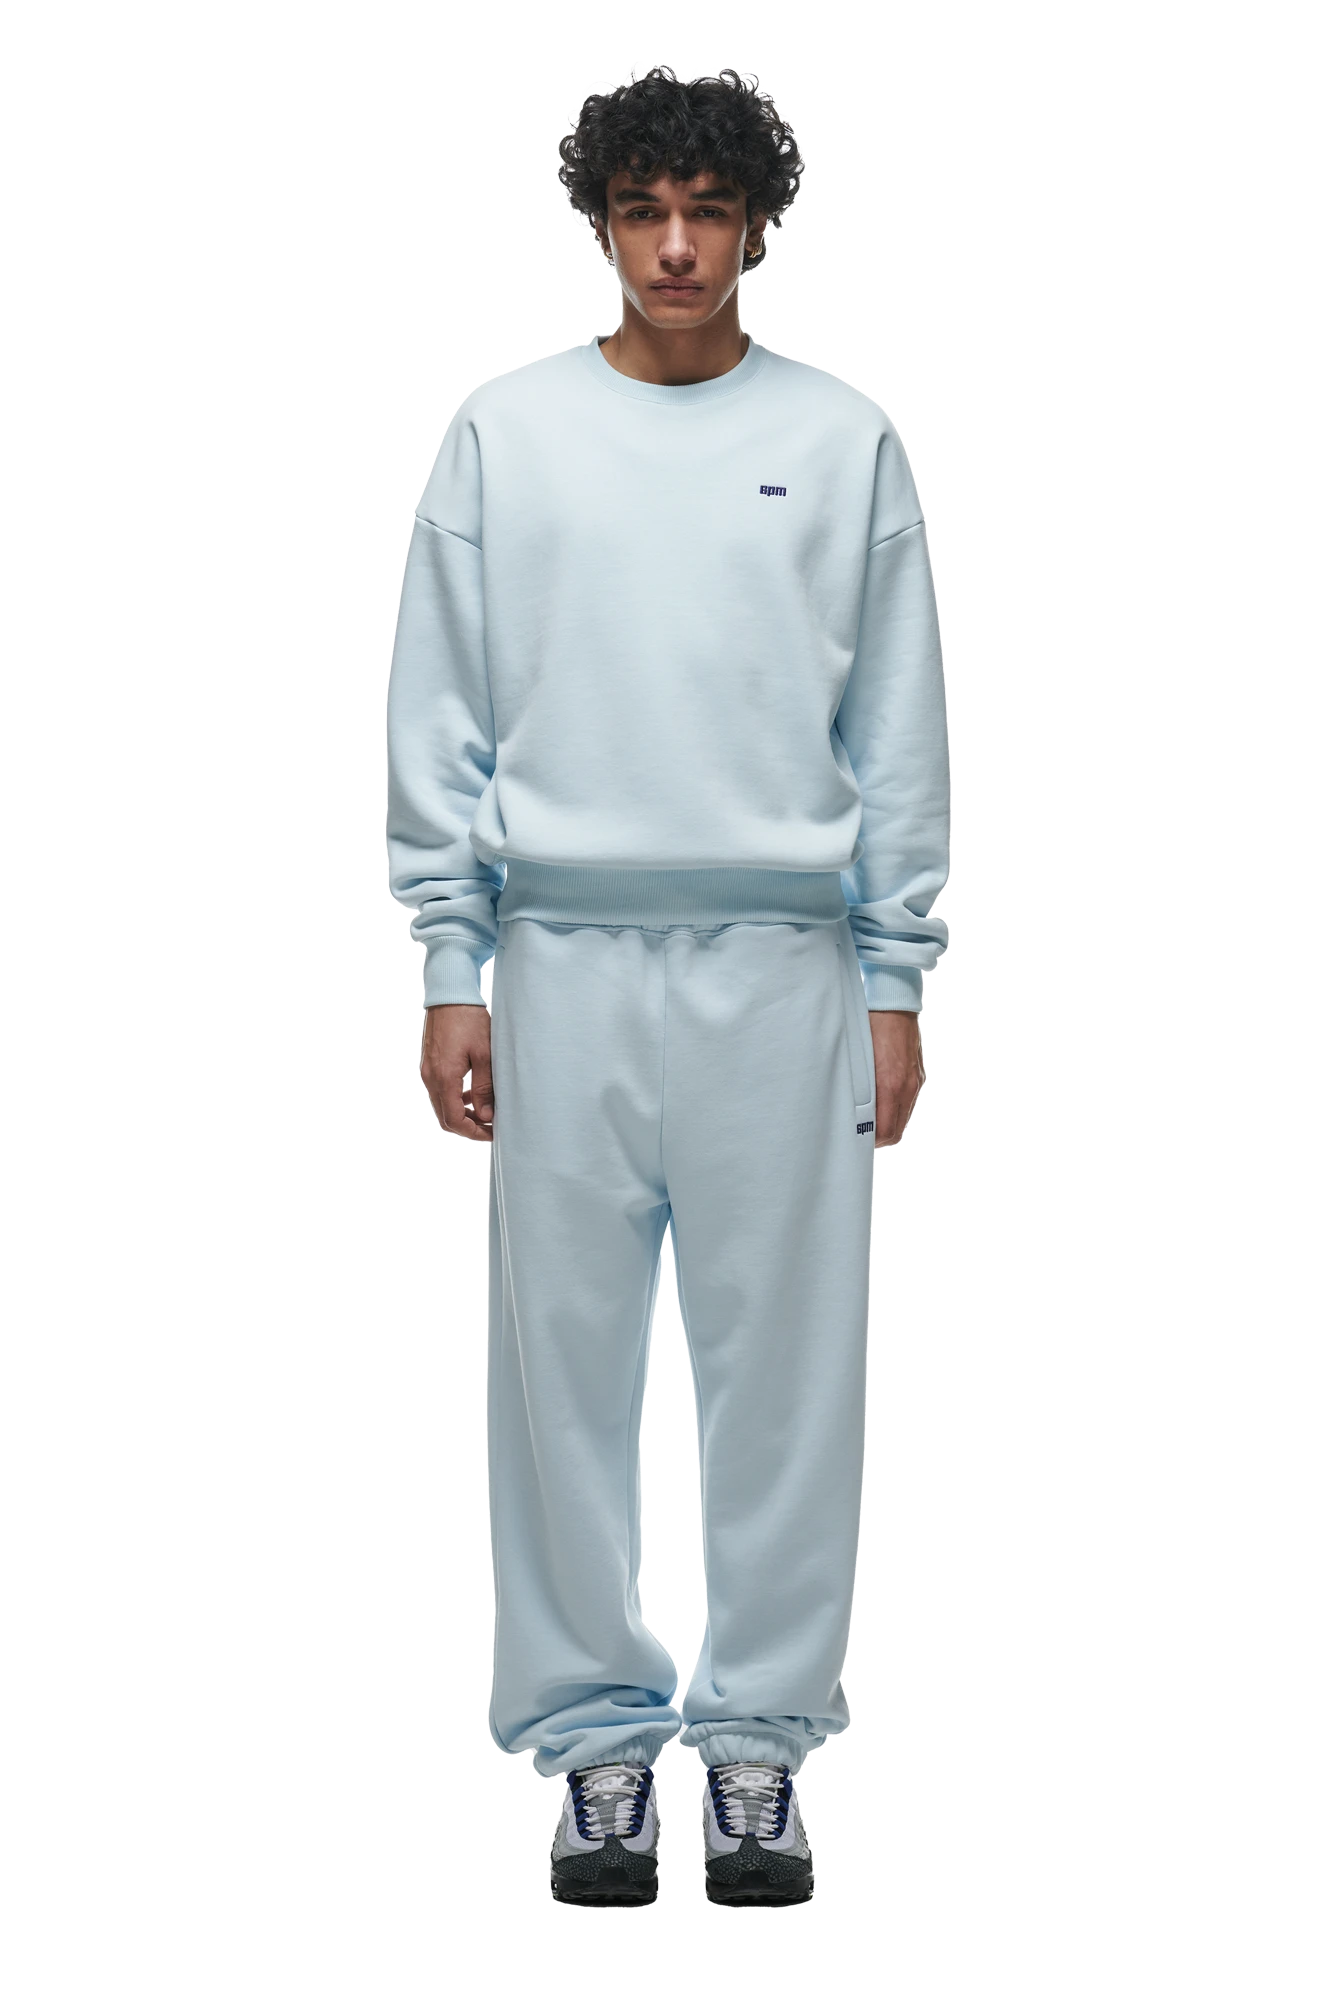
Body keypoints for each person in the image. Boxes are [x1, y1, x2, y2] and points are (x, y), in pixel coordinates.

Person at [386, 64, 950, 1908]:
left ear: (761, 222)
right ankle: (597, 1750)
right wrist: (453, 958)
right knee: (558, 1370)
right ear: (602, 221)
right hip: (556, 957)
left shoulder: (847, 438)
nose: (680, 247)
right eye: (646, 212)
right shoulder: (506, 433)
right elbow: (441, 710)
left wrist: (896, 973)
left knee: (788, 1372)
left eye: (711, 211)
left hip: (785, 967)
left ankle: (764, 1740)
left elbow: (898, 726)